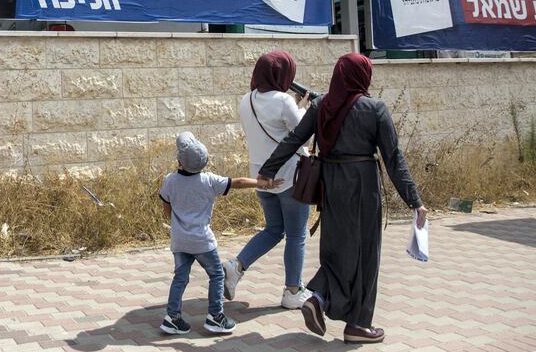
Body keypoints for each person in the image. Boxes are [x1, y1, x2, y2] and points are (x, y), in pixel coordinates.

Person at [258, 53, 428, 344]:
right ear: (363, 76)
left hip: (331, 184)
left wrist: (267, 171)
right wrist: (415, 201)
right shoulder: (375, 109)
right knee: (365, 254)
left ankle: (320, 297)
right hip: (362, 186)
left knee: (335, 248)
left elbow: (294, 138)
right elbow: (393, 159)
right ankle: (358, 324)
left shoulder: (322, 105)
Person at [221, 51, 313, 309]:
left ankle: (235, 267)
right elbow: (304, 137)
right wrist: (301, 109)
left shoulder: (245, 100)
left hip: (261, 178)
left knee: (274, 229)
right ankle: (292, 291)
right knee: (296, 235)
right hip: (290, 177)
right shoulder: (284, 101)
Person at [158, 131, 258, 336]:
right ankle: (215, 316)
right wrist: (260, 182)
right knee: (217, 274)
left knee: (180, 277)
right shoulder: (209, 180)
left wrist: (176, 223)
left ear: (180, 161)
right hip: (202, 241)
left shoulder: (170, 180)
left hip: (180, 240)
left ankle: (172, 317)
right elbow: (237, 182)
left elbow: (166, 205)